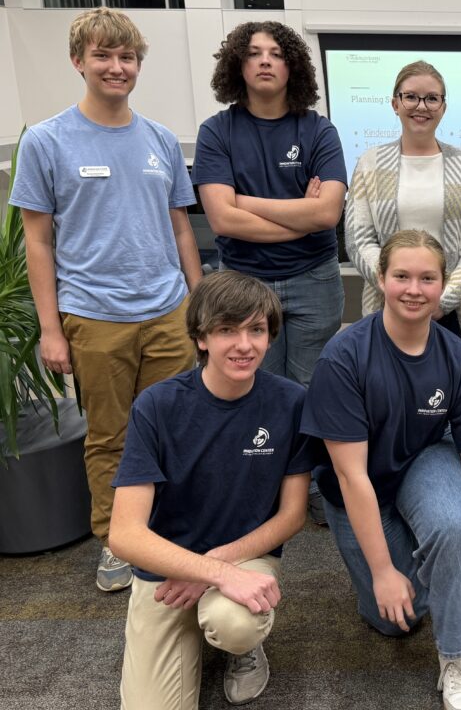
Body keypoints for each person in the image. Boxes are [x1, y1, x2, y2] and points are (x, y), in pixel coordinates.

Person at [10, 7, 201, 593]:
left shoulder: (160, 141)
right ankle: (116, 540)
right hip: (94, 318)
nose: (116, 67)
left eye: (127, 57)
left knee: (177, 429)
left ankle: (169, 529)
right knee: (110, 437)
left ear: (138, 65)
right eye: (103, 56)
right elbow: (37, 241)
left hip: (168, 311)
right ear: (79, 62)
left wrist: (199, 308)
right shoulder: (46, 141)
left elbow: (181, 230)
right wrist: (50, 329)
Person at [301, 230, 461, 710]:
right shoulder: (345, 358)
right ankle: (419, 568)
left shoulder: (456, 357)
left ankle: (456, 654)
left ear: (443, 285)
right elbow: (353, 477)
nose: (414, 289)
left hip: (422, 458)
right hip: (358, 485)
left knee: (458, 531)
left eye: (427, 278)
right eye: (401, 276)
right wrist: (381, 571)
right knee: (398, 617)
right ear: (380, 279)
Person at [108, 271, 317, 708]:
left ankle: (241, 649)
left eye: (256, 330)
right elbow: (124, 534)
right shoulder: (157, 406)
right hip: (168, 572)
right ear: (201, 337)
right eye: (227, 330)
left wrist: (217, 566)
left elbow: (292, 515)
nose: (244, 344)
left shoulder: (291, 402)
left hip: (246, 556)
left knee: (233, 622)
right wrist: (209, 572)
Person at [192, 20, 347, 387]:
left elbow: (327, 213)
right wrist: (301, 217)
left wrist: (243, 201)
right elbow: (223, 221)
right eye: (254, 54)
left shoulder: (319, 130)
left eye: (276, 55)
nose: (265, 62)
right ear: (237, 65)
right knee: (256, 386)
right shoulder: (216, 132)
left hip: (315, 279)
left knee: (313, 388)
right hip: (244, 278)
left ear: (292, 66)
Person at [345, 60, 461, 375]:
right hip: (388, 306)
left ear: (443, 107)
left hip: (457, 310)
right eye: (411, 97)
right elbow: (359, 239)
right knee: (388, 394)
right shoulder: (370, 163)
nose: (421, 106)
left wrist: (441, 299)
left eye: (432, 98)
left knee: (459, 403)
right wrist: (399, 290)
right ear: (395, 103)